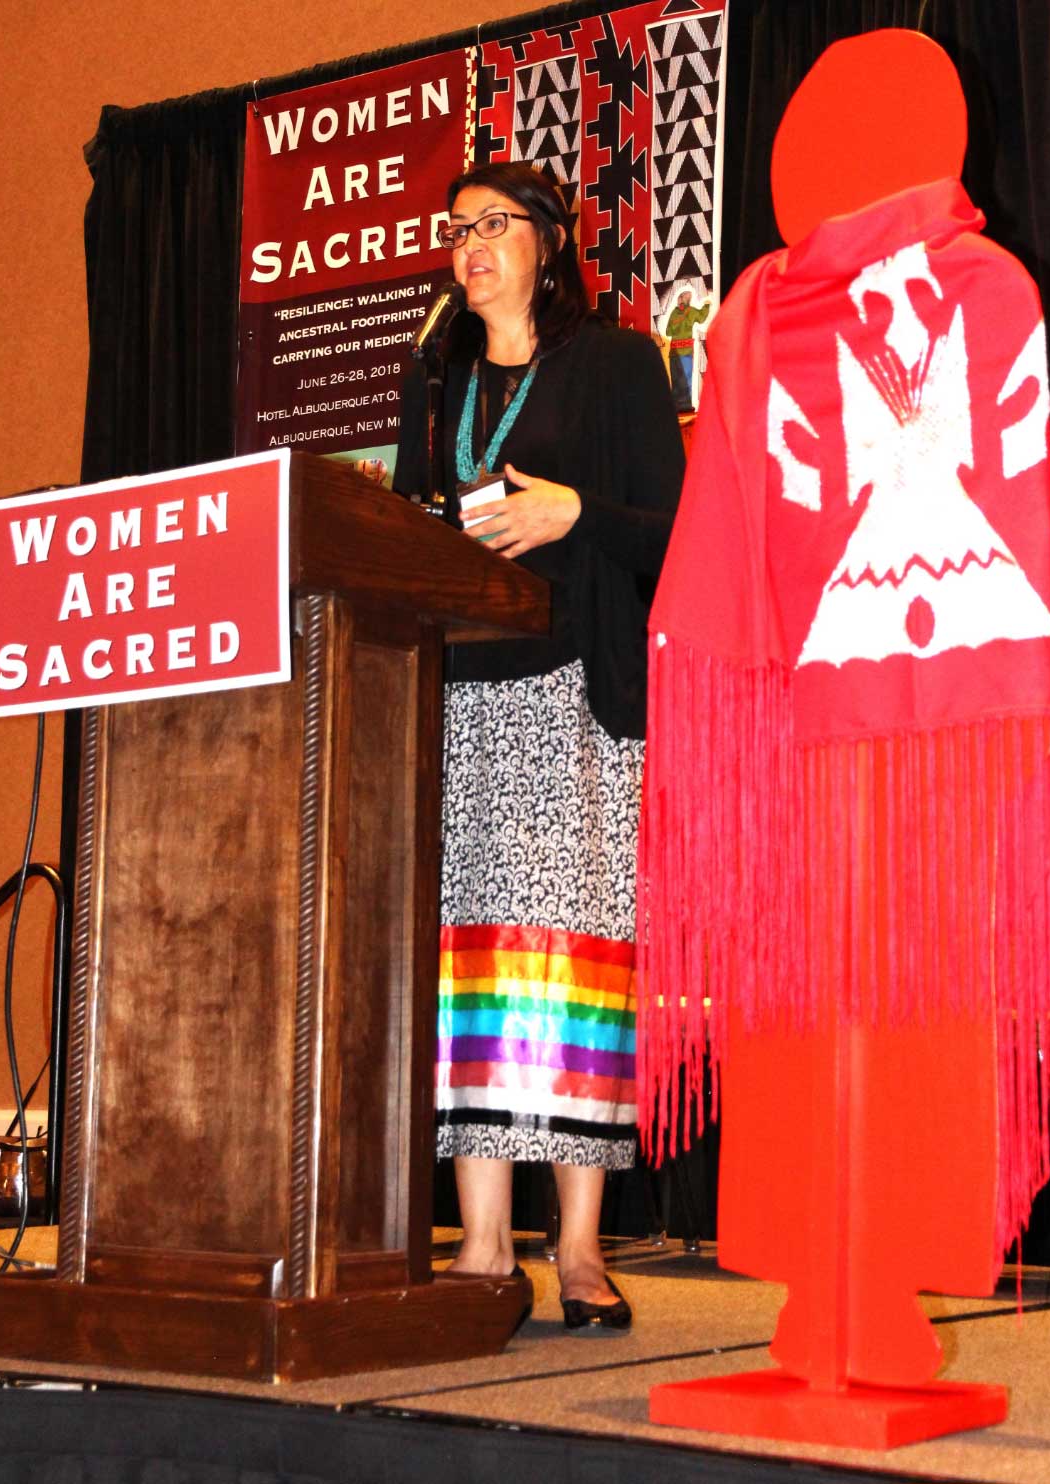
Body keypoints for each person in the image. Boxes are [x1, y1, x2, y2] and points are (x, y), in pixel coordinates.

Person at [393, 161, 684, 1328]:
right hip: (457, 699)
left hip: (573, 701)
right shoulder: (438, 378)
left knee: (570, 975)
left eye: (492, 225)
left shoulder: (612, 365)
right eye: (455, 228)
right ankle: (476, 1242)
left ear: (549, 242)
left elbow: (675, 531)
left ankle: (575, 1247)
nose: (468, 244)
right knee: (469, 971)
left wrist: (571, 512)